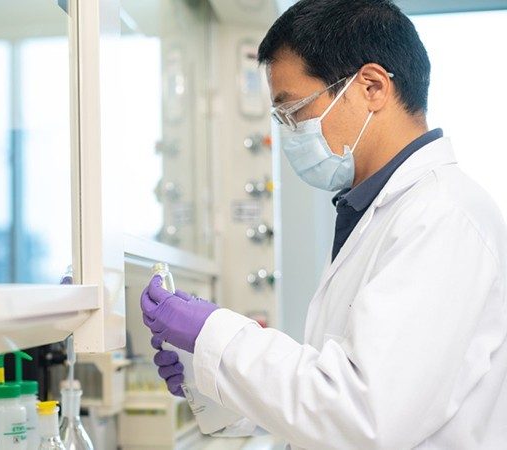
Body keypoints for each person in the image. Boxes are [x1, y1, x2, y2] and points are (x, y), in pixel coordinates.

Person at [141, 0, 507, 448]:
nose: (288, 132)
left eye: (294, 110)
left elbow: (362, 416)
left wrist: (216, 333)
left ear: (372, 87)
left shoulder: (443, 216)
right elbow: (335, 396)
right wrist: (213, 376)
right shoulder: (382, 211)